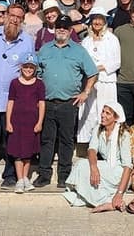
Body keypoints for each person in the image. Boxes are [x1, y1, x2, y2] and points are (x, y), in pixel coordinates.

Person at [33, 15, 98, 189]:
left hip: (69, 103)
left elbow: (92, 73)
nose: (61, 29)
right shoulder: (45, 50)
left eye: (65, 27)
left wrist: (86, 92)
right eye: (59, 26)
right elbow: (36, 74)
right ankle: (44, 174)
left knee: (66, 140)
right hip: (47, 102)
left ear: (70, 30)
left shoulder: (78, 51)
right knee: (46, 140)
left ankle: (64, 175)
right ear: (54, 29)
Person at [0, 3, 34, 189]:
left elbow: (30, 68)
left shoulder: (27, 41)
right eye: (11, 15)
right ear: (5, 16)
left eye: (18, 17)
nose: (14, 19)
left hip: (13, 100)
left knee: (11, 140)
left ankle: (10, 175)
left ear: (22, 20)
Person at [63, 101, 132, 211]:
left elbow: (127, 166)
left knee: (85, 168)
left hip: (119, 172)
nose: (103, 115)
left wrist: (119, 194)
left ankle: (107, 202)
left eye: (108, 113)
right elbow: (91, 150)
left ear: (116, 117)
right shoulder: (98, 129)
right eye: (103, 112)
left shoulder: (123, 134)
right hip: (106, 166)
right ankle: (106, 201)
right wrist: (94, 168)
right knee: (81, 164)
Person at [6, 52, 46, 194]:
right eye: (26, 66)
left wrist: (40, 122)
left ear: (35, 69)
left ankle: (25, 177)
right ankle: (20, 179)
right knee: (17, 152)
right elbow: (10, 102)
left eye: (31, 67)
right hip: (17, 122)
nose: (28, 69)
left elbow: (41, 104)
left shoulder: (39, 84)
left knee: (28, 152)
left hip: (31, 122)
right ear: (21, 67)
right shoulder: (14, 83)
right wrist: (8, 121)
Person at [78, 8, 120, 144]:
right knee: (90, 113)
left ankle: (106, 143)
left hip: (106, 82)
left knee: (106, 111)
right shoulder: (86, 41)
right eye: (95, 18)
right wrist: (89, 70)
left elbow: (116, 62)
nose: (97, 22)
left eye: (100, 19)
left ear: (105, 21)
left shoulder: (112, 39)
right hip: (90, 83)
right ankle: (89, 144)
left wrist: (98, 68)